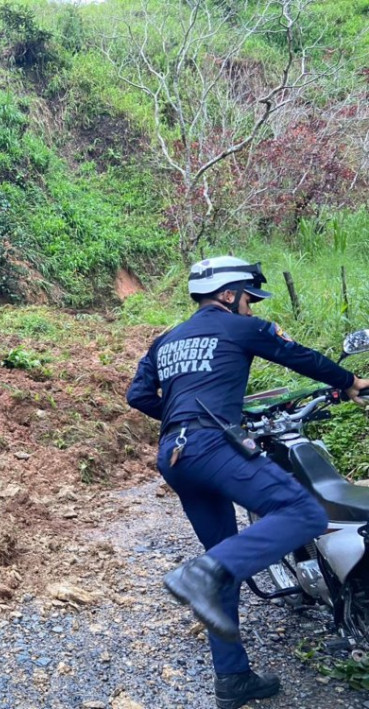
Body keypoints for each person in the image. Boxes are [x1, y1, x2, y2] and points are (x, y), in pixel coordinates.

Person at [126, 255, 369, 709]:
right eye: (249, 299)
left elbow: (138, 395)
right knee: (303, 512)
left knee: (224, 560)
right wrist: (352, 380)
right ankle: (198, 574)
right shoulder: (240, 328)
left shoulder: (165, 341)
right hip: (211, 447)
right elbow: (299, 357)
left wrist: (181, 417)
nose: (252, 308)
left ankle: (233, 679)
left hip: (174, 455)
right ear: (227, 295)